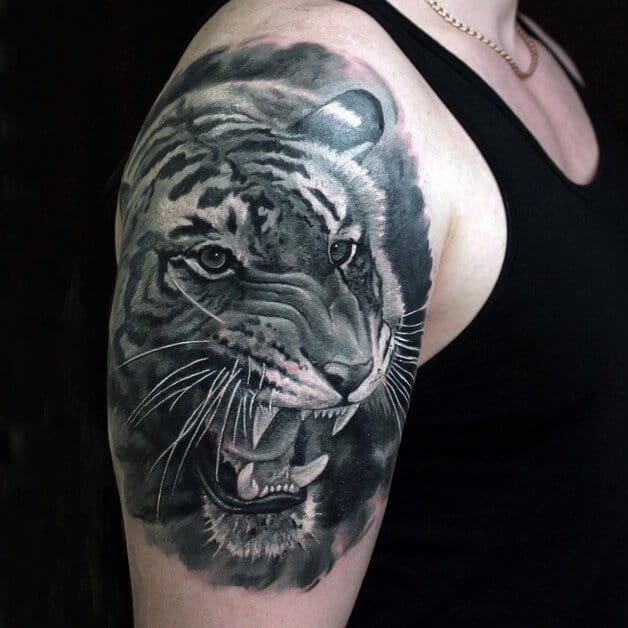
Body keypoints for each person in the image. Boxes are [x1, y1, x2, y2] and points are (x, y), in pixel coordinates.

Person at [107, 1, 628, 625]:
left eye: (342, 252)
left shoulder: (533, 52)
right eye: (217, 258)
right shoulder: (329, 64)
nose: (352, 358)